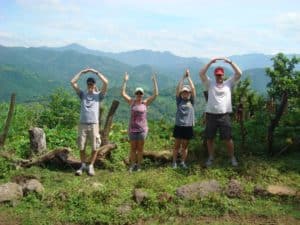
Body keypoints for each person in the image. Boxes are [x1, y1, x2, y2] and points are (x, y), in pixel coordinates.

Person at [199, 57, 242, 167]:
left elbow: (239, 73)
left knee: (228, 138)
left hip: (224, 115)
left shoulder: (229, 83)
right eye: (217, 75)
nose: (219, 76)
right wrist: (210, 62)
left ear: (223, 75)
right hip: (211, 115)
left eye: (221, 75)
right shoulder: (209, 83)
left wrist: (230, 62)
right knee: (209, 138)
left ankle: (232, 157)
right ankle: (211, 157)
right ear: (215, 75)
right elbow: (201, 73)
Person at [70, 68, 108, 176]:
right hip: (82, 124)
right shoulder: (82, 95)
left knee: (95, 146)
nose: (90, 85)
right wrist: (82, 72)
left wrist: (95, 72)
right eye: (88, 84)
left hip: (94, 124)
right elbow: (72, 82)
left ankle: (91, 165)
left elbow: (106, 82)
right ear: (87, 85)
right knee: (81, 146)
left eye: (92, 84)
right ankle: (82, 165)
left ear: (95, 85)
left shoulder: (98, 96)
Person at [121, 72, 158, 172]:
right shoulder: (132, 102)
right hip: (132, 129)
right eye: (137, 93)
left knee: (140, 148)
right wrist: (125, 81)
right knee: (133, 148)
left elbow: (156, 94)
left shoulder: (145, 103)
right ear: (135, 94)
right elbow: (123, 93)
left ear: (143, 94)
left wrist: (154, 81)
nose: (139, 95)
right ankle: (132, 165)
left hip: (142, 129)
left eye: (140, 93)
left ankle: (139, 166)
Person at [172, 69, 196, 169]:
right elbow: (178, 89)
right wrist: (183, 77)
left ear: (189, 94)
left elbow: (193, 89)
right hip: (179, 126)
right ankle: (174, 162)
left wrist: (189, 77)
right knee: (177, 145)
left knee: (185, 146)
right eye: (184, 92)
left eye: (187, 92)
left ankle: (182, 162)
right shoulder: (179, 101)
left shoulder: (192, 102)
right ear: (182, 94)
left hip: (188, 126)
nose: (185, 94)